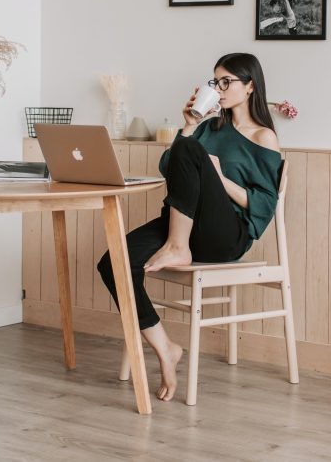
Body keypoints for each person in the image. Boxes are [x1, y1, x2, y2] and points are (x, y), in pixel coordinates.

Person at [96, 53, 283, 402]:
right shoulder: (208, 129)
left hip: (226, 236)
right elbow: (172, 168)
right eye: (215, 82)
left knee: (190, 151)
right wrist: (189, 125)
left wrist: (218, 176)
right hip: (183, 222)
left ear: (251, 86)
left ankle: (178, 246)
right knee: (113, 262)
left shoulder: (263, 137)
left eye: (227, 82)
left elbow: (263, 204)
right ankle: (165, 347)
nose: (219, 88)